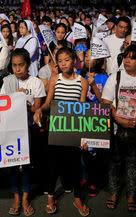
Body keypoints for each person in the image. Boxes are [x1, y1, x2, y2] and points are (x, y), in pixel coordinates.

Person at [101, 45, 136, 212]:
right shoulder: (115, 77)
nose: (127, 60)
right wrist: (118, 119)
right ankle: (113, 192)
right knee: (114, 162)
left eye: (132, 58)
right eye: (126, 56)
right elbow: (106, 102)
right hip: (117, 128)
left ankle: (131, 195)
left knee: (133, 162)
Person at [34, 47, 90, 216]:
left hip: (73, 129)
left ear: (74, 60)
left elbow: (82, 109)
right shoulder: (54, 79)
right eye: (60, 60)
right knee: (53, 165)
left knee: (75, 165)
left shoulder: (83, 81)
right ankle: (51, 196)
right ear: (56, 63)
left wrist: (84, 136)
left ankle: (78, 197)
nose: (63, 63)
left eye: (67, 59)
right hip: (56, 128)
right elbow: (48, 102)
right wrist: (40, 109)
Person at [0, 49, 46, 216]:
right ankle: (16, 197)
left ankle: (26, 197)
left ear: (28, 65)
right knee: (12, 164)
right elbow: (2, 106)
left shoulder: (36, 83)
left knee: (26, 164)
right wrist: (13, 99)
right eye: (14, 65)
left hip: (28, 128)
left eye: (21, 65)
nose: (17, 69)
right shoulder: (7, 82)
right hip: (11, 128)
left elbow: (36, 108)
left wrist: (21, 101)